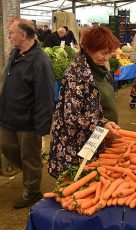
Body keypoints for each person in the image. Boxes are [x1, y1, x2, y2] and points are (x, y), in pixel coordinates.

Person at [48, 26, 121, 179]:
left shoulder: (101, 70)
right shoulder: (76, 75)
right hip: (76, 146)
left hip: (97, 140)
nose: (107, 57)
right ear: (88, 49)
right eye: (103, 53)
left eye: (109, 53)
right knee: (76, 184)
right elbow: (71, 116)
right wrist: (102, 123)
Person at [0, 18, 55, 209]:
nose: (9, 36)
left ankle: (32, 191)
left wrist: (42, 125)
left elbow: (46, 95)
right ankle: (32, 172)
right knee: (6, 147)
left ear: (22, 35)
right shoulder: (15, 54)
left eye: (11, 33)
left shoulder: (40, 60)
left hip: (28, 121)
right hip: (9, 117)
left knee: (29, 155)